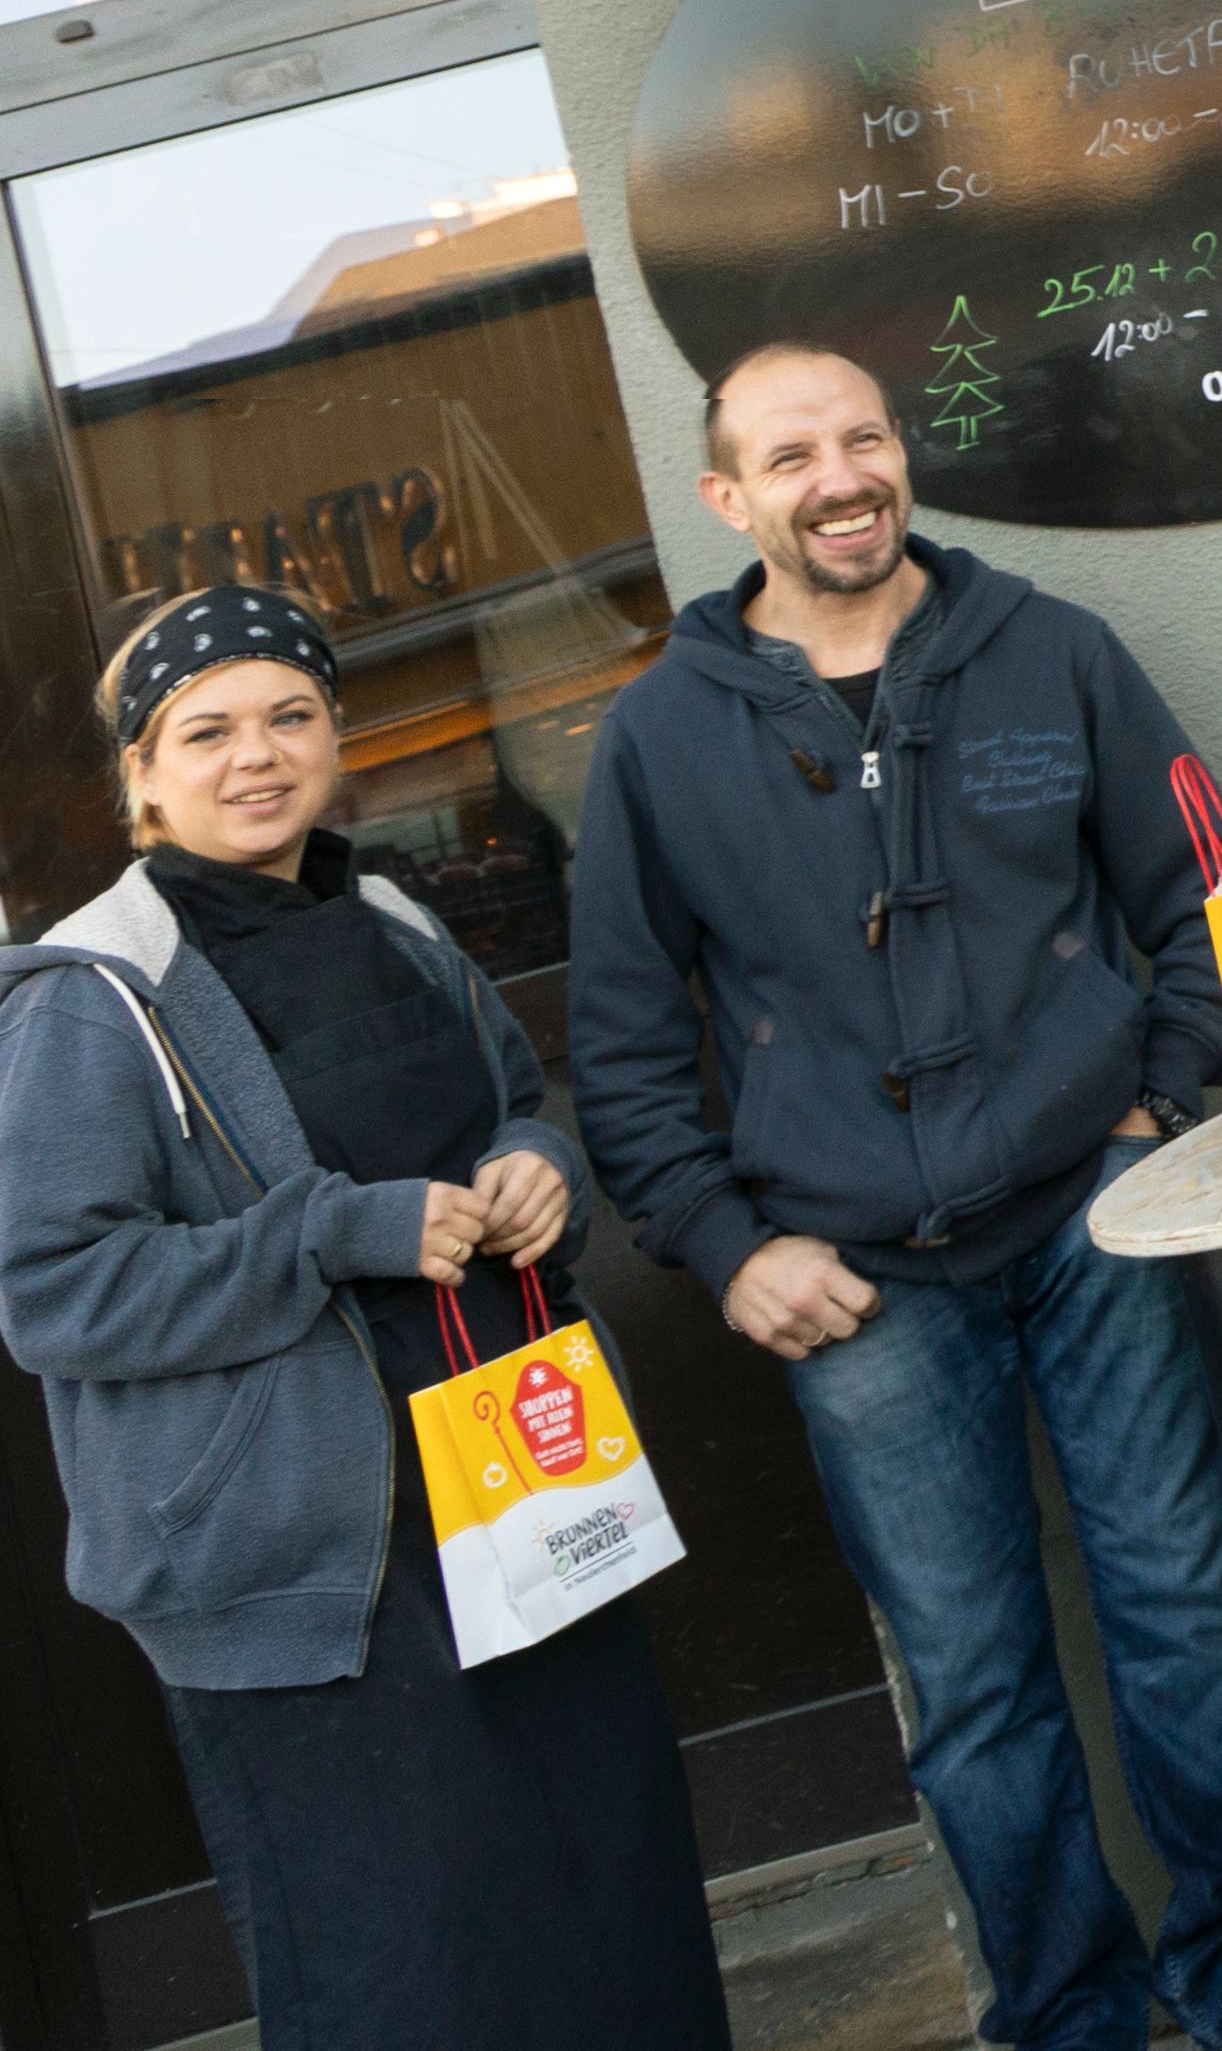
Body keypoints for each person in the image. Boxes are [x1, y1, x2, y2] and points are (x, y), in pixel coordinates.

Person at [564, 342, 1222, 2051]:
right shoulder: (660, 737)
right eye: (793, 453)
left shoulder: (1051, 650)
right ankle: (1069, 2021)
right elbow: (624, 1055)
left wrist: (1159, 1110)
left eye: (863, 436)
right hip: (857, 1284)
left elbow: (1210, 894)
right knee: (974, 1685)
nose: (841, 475)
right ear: (728, 496)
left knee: (1188, 1607)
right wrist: (728, 1248)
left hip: (1100, 1218)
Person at [0, 586, 731, 2051]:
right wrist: (341, 1231)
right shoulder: (93, 993)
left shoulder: (394, 916)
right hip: (311, 1567)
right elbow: (54, 1289)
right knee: (409, 1965)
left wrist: (538, 1163)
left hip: (519, 1477)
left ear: (337, 735)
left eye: (291, 715)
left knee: (609, 1892)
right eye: (207, 731)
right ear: (142, 773)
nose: (256, 755)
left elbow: (509, 1101)